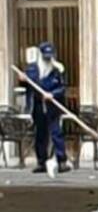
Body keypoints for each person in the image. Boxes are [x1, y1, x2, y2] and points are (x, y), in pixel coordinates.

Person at [20, 42, 70, 174]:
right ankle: (41, 162)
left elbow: (63, 88)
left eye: (50, 57)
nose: (48, 59)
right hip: (37, 106)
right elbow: (27, 86)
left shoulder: (58, 70)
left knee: (56, 132)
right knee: (40, 134)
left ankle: (62, 161)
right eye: (45, 57)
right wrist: (23, 79)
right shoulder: (32, 69)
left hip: (53, 106)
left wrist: (52, 94)